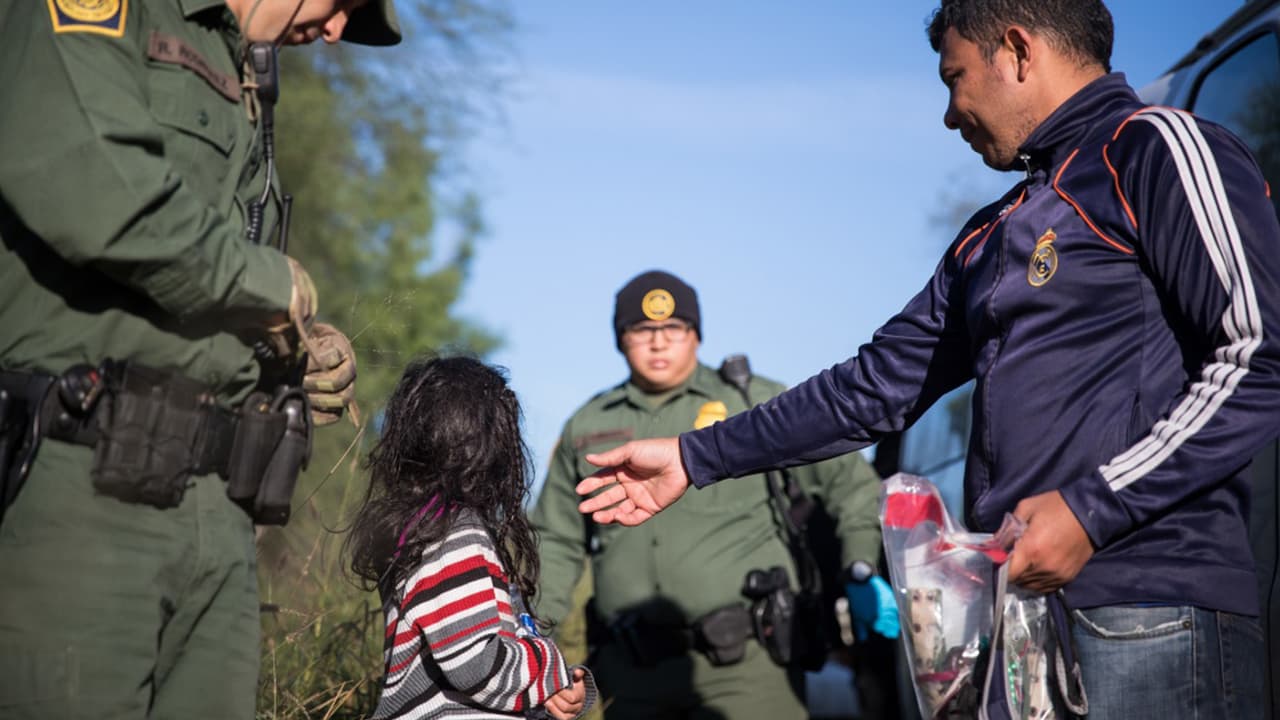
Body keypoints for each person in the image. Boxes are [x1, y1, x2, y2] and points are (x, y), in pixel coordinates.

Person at [576, 2, 1280, 718]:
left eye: (956, 77)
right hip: (1018, 632)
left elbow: (1260, 356)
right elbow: (870, 388)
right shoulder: (992, 233)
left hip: (1149, 613)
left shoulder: (1157, 146)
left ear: (1016, 50)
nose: (950, 113)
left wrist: (1092, 510)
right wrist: (696, 457)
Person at [0, 1, 398, 717]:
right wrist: (273, 289)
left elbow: (210, 281)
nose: (338, 31)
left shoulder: (239, 68)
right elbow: (94, 188)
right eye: (347, 4)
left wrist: (291, 358)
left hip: (216, 513)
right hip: (85, 478)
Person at [531, 269, 896, 720]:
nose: (658, 342)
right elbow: (555, 541)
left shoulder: (753, 404)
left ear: (697, 336)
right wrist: (533, 639)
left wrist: (859, 566)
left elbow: (852, 486)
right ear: (620, 339)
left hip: (750, 671)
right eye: (641, 330)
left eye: (673, 328)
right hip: (630, 673)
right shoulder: (587, 425)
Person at [345, 356, 594, 720]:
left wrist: (554, 691)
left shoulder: (435, 531)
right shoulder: (452, 537)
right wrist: (550, 667)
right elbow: (476, 666)